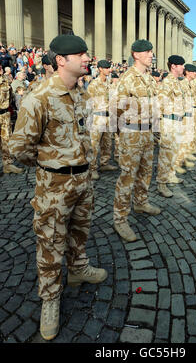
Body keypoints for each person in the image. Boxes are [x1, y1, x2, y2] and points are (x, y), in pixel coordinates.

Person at [9, 34, 108, 341]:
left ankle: (79, 268)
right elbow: (19, 147)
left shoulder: (81, 94)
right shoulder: (38, 97)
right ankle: (50, 299)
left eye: (87, 53)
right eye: (81, 54)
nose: (88, 58)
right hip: (54, 183)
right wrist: (49, 163)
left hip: (83, 180)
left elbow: (83, 133)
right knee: (51, 242)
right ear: (61, 60)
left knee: (80, 230)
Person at [113, 39, 160, 242]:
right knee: (127, 177)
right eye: (148, 52)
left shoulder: (149, 79)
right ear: (136, 54)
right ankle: (120, 219)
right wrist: (122, 135)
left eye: (151, 52)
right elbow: (116, 109)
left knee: (146, 171)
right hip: (131, 133)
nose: (151, 55)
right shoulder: (127, 79)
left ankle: (141, 202)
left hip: (147, 133)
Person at [156, 55, 186, 198]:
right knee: (166, 153)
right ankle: (161, 183)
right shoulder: (168, 82)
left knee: (174, 151)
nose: (183, 68)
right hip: (169, 121)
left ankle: (171, 175)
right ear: (173, 66)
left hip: (177, 121)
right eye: (181, 65)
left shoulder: (176, 82)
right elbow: (160, 103)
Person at [87, 59, 118, 180]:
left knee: (107, 142)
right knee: (94, 144)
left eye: (109, 68)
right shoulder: (94, 84)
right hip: (97, 117)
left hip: (108, 116)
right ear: (100, 69)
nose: (109, 70)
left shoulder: (109, 84)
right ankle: (92, 168)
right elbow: (88, 103)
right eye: (106, 68)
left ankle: (104, 163)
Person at [0, 65, 23, 174]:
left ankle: (7, 165)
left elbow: (10, 96)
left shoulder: (5, 79)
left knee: (6, 141)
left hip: (4, 114)